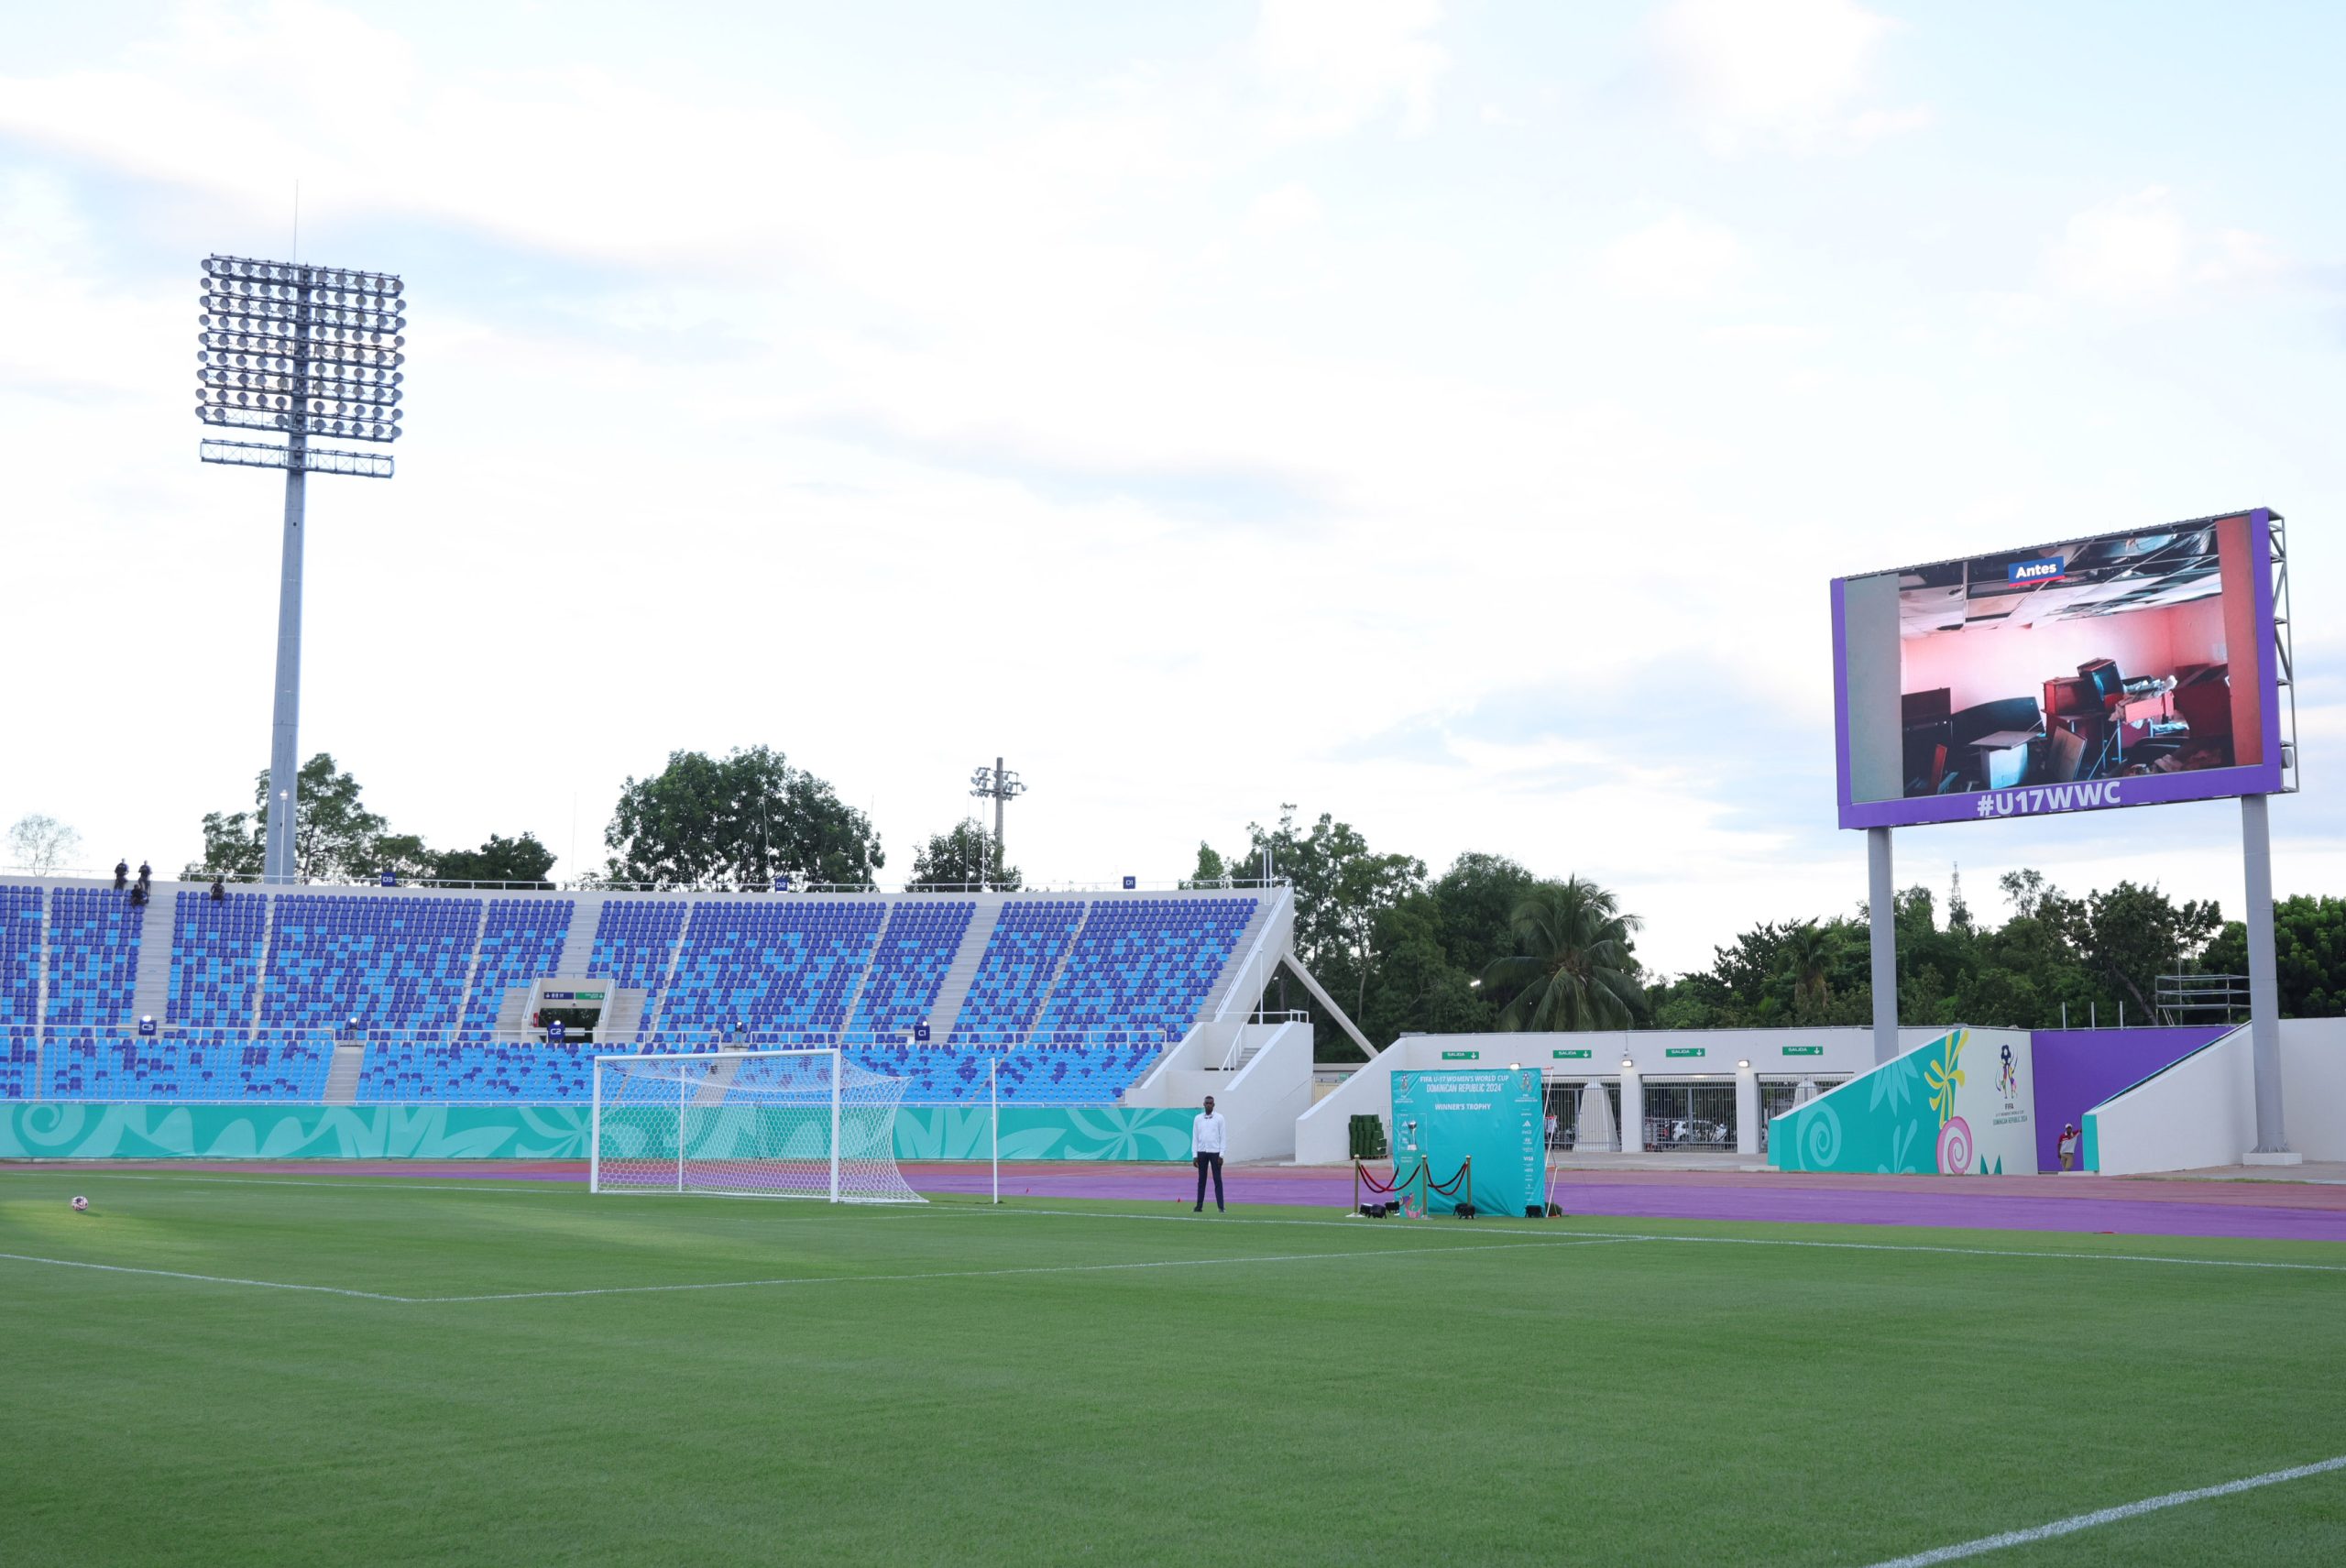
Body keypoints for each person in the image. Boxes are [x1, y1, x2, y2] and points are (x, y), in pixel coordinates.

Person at [1191, 1093, 1228, 1213]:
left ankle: (1221, 1207)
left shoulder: (1220, 1118)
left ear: (1214, 1105)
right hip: (1202, 1152)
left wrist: (1221, 1154)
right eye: (1206, 1103)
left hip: (1215, 1152)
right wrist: (1195, 1155)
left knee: (1217, 1180)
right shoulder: (1198, 1119)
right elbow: (1195, 1137)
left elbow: (1223, 1137)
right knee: (1201, 1180)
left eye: (1210, 1103)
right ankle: (1199, 1206)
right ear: (1203, 1104)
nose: (1208, 1105)